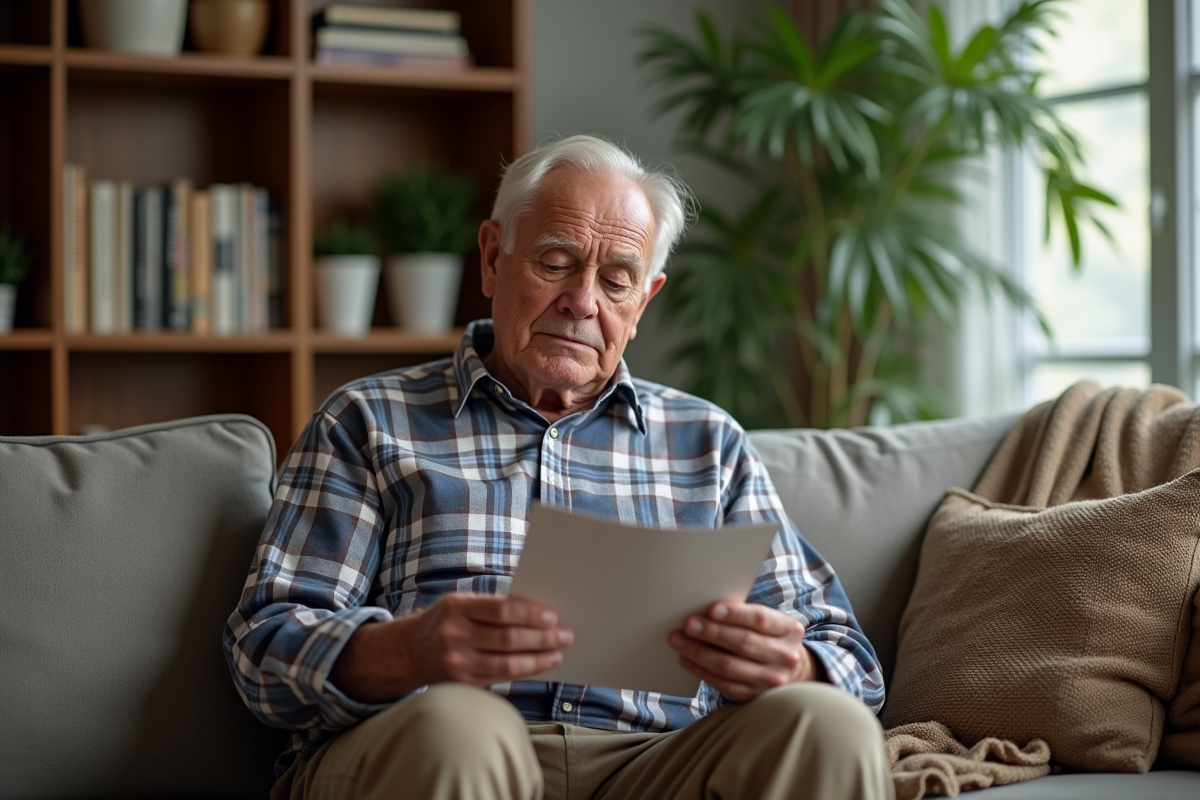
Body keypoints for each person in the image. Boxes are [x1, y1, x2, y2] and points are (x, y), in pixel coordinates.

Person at [225, 134, 892, 800]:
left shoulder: (707, 443)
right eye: (555, 262)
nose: (582, 301)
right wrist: (409, 650)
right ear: (492, 259)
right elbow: (264, 648)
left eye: (615, 280)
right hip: (434, 743)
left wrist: (793, 662)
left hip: (653, 765)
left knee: (826, 724)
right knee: (460, 726)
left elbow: (853, 661)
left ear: (644, 300)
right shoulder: (368, 421)